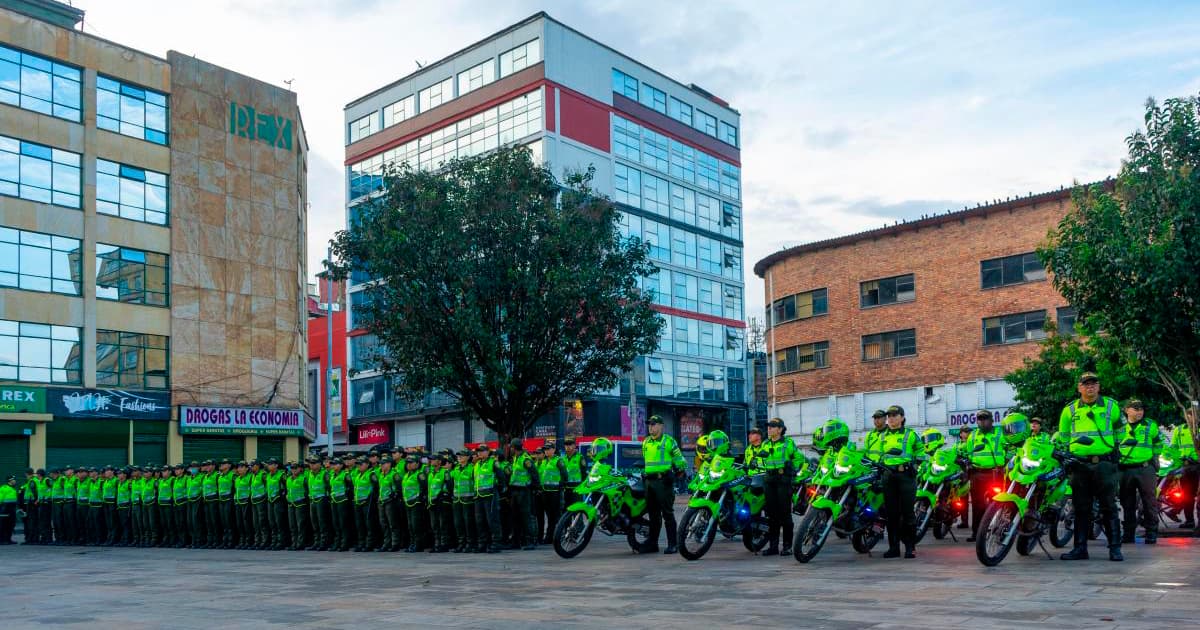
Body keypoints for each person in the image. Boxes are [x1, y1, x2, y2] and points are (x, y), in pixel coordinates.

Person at [1058, 372, 1124, 561]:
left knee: (1109, 507)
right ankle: (1080, 549)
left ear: (1099, 386)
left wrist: (1115, 453)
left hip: (1104, 464)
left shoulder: (1112, 406)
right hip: (1079, 466)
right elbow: (1063, 438)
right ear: (1079, 388)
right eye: (1086, 384)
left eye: (1093, 384)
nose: (1090, 387)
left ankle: (1115, 548)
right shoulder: (1069, 410)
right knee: (1081, 508)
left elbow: (1120, 432)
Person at [1118, 399, 1163, 544]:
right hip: (1125, 469)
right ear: (1126, 410)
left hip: (1145, 468)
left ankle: (1151, 533)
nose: (1139, 411)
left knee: (1149, 501)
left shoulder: (1150, 425)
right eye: (1135, 409)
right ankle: (1128, 534)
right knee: (1127, 503)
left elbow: (1158, 443)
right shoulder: (1119, 426)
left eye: (1141, 409)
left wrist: (1155, 459)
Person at [880, 405, 923, 559]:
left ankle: (910, 547)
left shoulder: (910, 434)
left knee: (908, 513)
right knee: (891, 514)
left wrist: (916, 466)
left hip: (905, 476)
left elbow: (921, 452)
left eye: (894, 415)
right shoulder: (882, 436)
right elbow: (879, 456)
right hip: (888, 477)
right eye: (889, 416)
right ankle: (894, 548)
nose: (891, 418)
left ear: (902, 417)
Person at [641, 414, 686, 554]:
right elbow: (645, 461)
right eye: (649, 424)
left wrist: (677, 473)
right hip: (649, 482)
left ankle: (673, 544)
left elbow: (680, 460)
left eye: (653, 424)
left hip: (663, 481)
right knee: (653, 515)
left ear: (661, 426)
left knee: (667, 513)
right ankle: (653, 544)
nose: (650, 426)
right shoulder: (646, 442)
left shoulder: (669, 441)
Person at [758, 418, 801, 556]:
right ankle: (773, 547)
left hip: (783, 479)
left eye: (773, 426)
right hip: (769, 480)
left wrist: (793, 469)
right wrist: (754, 463)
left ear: (780, 429)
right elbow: (760, 460)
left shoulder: (788, 443)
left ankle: (787, 546)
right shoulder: (765, 443)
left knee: (785, 514)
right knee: (771, 515)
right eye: (769, 426)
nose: (769, 429)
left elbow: (799, 459)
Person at [963, 410, 1005, 542]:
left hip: (995, 473)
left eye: (985, 418)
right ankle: (977, 533)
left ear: (992, 420)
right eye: (979, 419)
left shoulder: (1000, 432)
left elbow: (1010, 449)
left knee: (998, 503)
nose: (982, 421)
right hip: (977, 473)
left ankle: (999, 531)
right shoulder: (973, 435)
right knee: (977, 505)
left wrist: (1006, 462)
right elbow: (968, 452)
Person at [507, 438, 539, 550]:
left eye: (511, 447)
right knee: (515, 517)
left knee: (526, 516)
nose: (510, 449)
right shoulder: (516, 458)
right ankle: (516, 542)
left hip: (524, 491)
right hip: (515, 491)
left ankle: (530, 541)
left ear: (514, 448)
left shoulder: (526, 460)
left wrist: (534, 489)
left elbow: (535, 475)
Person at [473, 444, 505, 553]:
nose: (480, 453)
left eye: (482, 451)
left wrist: (497, 490)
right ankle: (483, 543)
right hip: (478, 495)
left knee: (492, 520)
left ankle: (496, 543)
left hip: (490, 495)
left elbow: (501, 477)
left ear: (488, 452)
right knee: (479, 520)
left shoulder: (493, 462)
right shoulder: (477, 464)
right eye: (478, 451)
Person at [1170, 408, 1198, 531]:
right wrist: (1176, 462)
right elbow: (1173, 448)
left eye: (1194, 415)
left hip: (1197, 464)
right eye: (1189, 415)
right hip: (1185, 465)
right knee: (1187, 495)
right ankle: (1189, 521)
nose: (1191, 418)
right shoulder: (1179, 429)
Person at [450, 449, 477, 553]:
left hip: (468, 500)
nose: (459, 457)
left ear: (468, 457)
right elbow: (451, 484)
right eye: (458, 456)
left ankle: (470, 544)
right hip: (457, 500)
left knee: (468, 523)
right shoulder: (455, 469)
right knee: (458, 523)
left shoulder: (472, 469)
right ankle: (461, 543)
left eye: (461, 455)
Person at [537, 445, 564, 544]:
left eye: (548, 449)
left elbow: (564, 474)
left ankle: (553, 536)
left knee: (554, 516)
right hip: (545, 492)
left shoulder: (558, 461)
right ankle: (548, 536)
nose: (546, 451)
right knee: (549, 515)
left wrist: (560, 488)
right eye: (545, 449)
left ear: (554, 449)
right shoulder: (544, 462)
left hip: (554, 492)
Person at [401, 455, 428, 552]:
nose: (408, 465)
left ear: (417, 463)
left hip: (416, 503)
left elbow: (425, 488)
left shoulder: (420, 474)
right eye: (407, 463)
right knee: (410, 525)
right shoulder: (406, 475)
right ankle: (412, 544)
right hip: (408, 502)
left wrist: (421, 498)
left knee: (416, 525)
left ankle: (418, 545)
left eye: (411, 462)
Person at [375, 455, 401, 552]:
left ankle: (395, 543)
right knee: (383, 524)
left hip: (390, 502)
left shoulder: (394, 474)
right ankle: (386, 543)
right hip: (382, 501)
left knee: (392, 523)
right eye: (381, 464)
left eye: (383, 463)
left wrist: (393, 495)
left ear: (389, 464)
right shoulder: (381, 474)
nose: (381, 465)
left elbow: (399, 488)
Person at [428, 454, 453, 552]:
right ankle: (437, 544)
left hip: (441, 502)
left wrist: (442, 494)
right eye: (430, 459)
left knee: (442, 524)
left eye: (433, 459)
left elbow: (449, 486)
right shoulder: (431, 473)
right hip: (432, 502)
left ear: (439, 461)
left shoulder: (445, 472)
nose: (431, 461)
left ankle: (444, 544)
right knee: (434, 525)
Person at [327, 458, 353, 552]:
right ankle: (337, 542)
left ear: (341, 465)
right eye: (333, 464)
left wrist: (347, 498)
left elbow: (351, 488)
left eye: (336, 464)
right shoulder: (332, 475)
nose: (334, 466)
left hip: (343, 501)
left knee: (343, 523)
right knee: (336, 523)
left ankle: (344, 543)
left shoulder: (345, 475)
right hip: (334, 501)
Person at [305, 457, 331, 551]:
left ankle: (324, 542)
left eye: (314, 463)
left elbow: (329, 486)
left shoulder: (325, 474)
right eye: (311, 463)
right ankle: (317, 542)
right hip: (312, 500)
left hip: (321, 500)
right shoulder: (309, 474)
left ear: (320, 464)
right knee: (314, 522)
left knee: (322, 522)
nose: (311, 465)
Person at [285, 462, 309, 550]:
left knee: (300, 525)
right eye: (292, 468)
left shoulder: (304, 478)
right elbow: (287, 490)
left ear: (300, 469)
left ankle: (300, 543)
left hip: (300, 504)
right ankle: (294, 542)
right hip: (291, 504)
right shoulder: (288, 479)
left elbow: (307, 491)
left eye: (296, 468)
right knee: (292, 525)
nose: (294, 470)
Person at [233, 461, 253, 549]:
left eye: (242, 467)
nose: (239, 469)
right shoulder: (237, 478)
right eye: (238, 467)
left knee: (246, 522)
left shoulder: (250, 477)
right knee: (239, 522)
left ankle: (249, 541)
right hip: (238, 502)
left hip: (246, 502)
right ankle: (242, 540)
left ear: (247, 468)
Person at [561, 438, 586, 508]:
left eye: (570, 445)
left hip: (576, 488)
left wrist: (582, 487)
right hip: (566, 488)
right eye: (566, 445)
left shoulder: (580, 457)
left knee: (577, 509)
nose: (568, 447)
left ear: (574, 446)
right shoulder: (563, 459)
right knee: (566, 510)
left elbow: (584, 473)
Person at [0, 475, 17, 544]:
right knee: (3, 524)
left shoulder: (13, 488)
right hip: (4, 508)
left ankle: (8, 539)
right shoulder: (4, 488)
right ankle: (2, 540)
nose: (15, 481)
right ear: (10, 480)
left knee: (11, 524)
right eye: (14, 480)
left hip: (12, 508)